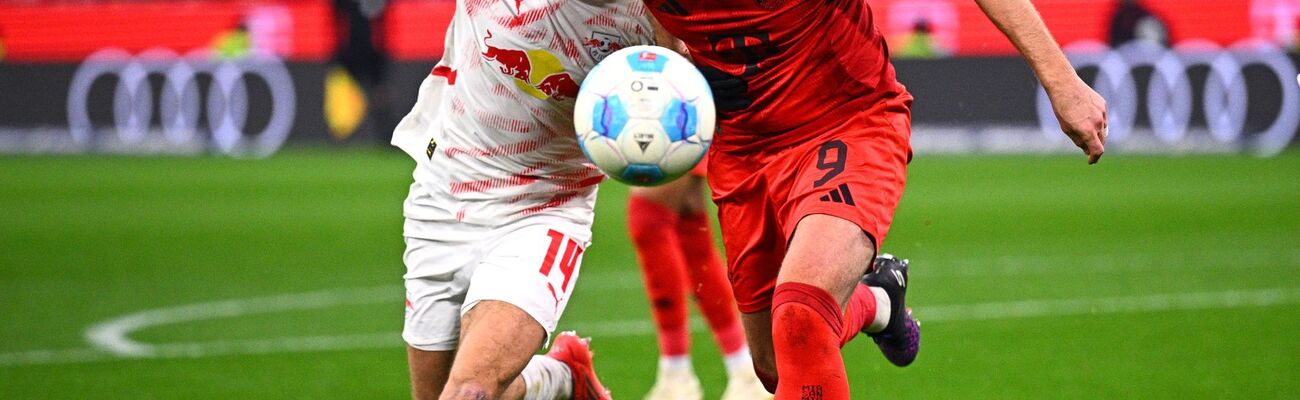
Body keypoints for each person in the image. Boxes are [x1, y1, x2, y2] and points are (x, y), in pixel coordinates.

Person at [646, 0, 1108, 398]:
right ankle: (878, 301)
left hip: (845, 120)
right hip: (744, 149)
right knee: (773, 366)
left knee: (802, 315)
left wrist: (1061, 81)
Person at [389, 1, 655, 399]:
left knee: (470, 390)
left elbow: (684, 94)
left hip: (545, 206)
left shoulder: (655, 16)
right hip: (442, 196)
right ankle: (561, 380)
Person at [626, 161, 770, 400]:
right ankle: (743, 369)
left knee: (648, 215)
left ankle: (676, 375)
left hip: (685, 122)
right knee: (689, 225)